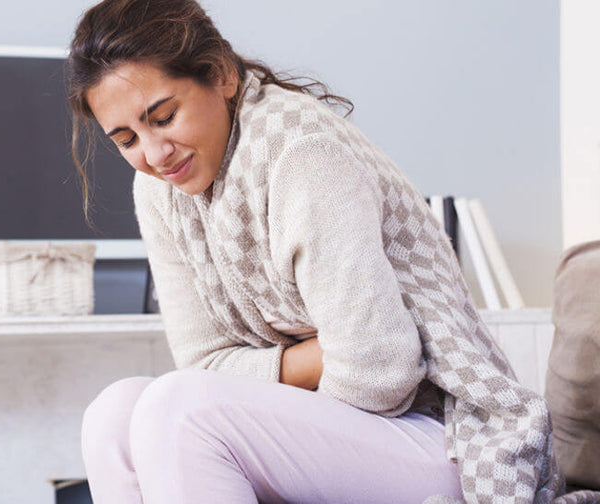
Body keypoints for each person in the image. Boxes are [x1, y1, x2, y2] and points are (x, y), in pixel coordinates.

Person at [67, 1, 600, 503]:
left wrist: (261, 401)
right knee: (113, 416)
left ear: (221, 75)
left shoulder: (301, 153)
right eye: (126, 139)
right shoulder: (161, 189)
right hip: (333, 415)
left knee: (178, 408)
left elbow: (379, 374)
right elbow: (203, 361)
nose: (155, 154)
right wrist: (319, 354)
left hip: (446, 436)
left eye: (163, 116)